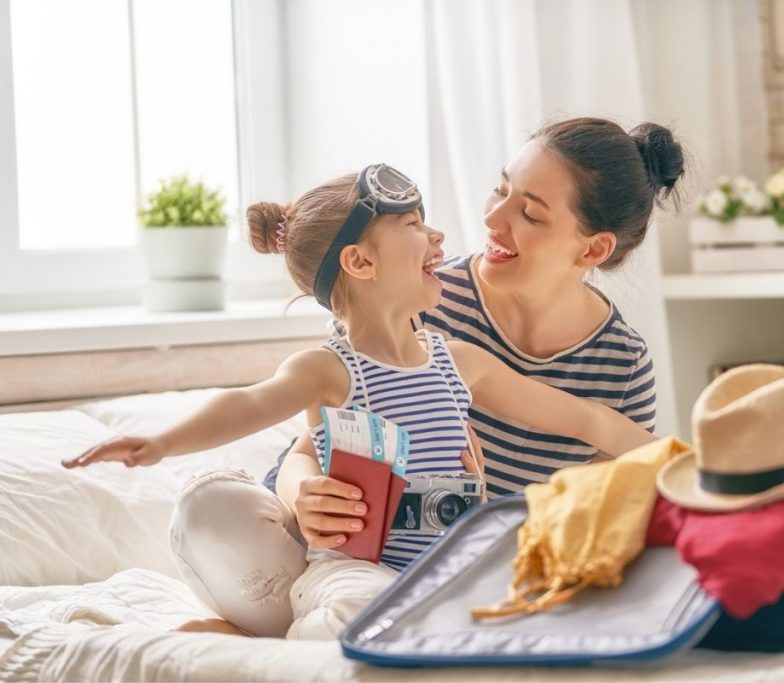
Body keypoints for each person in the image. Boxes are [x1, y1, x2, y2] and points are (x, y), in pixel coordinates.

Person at [62, 163, 659, 639]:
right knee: (355, 605)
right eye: (415, 226)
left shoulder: (459, 361)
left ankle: (264, 633)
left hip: (449, 564)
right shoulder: (330, 370)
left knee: (515, 600)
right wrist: (161, 442)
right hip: (357, 566)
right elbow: (248, 404)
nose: (439, 237)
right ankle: (297, 642)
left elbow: (585, 419)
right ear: (359, 261)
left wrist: (687, 459)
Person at [272, 117, 686, 551]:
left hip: (484, 562)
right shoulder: (418, 299)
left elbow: (593, 521)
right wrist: (302, 492)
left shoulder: (622, 365)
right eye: (501, 189)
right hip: (353, 543)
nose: (492, 216)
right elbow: (307, 451)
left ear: (593, 249)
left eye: (528, 213)